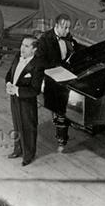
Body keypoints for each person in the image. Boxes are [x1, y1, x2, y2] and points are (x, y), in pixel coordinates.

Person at [37, 14, 79, 152]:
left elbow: (73, 49)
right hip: (51, 78)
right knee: (60, 104)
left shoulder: (67, 36)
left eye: (68, 28)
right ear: (57, 26)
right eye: (65, 28)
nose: (67, 31)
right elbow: (41, 62)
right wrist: (57, 68)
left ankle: (72, 116)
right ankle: (61, 139)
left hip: (65, 74)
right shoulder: (44, 39)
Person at [5, 36, 43, 166]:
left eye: (27, 46)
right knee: (17, 125)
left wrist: (17, 90)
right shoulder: (18, 56)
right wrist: (9, 83)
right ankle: (18, 149)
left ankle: (28, 155)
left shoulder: (37, 66)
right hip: (14, 98)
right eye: (22, 45)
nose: (22, 48)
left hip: (26, 103)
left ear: (34, 49)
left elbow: (35, 90)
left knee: (28, 128)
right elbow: (9, 73)